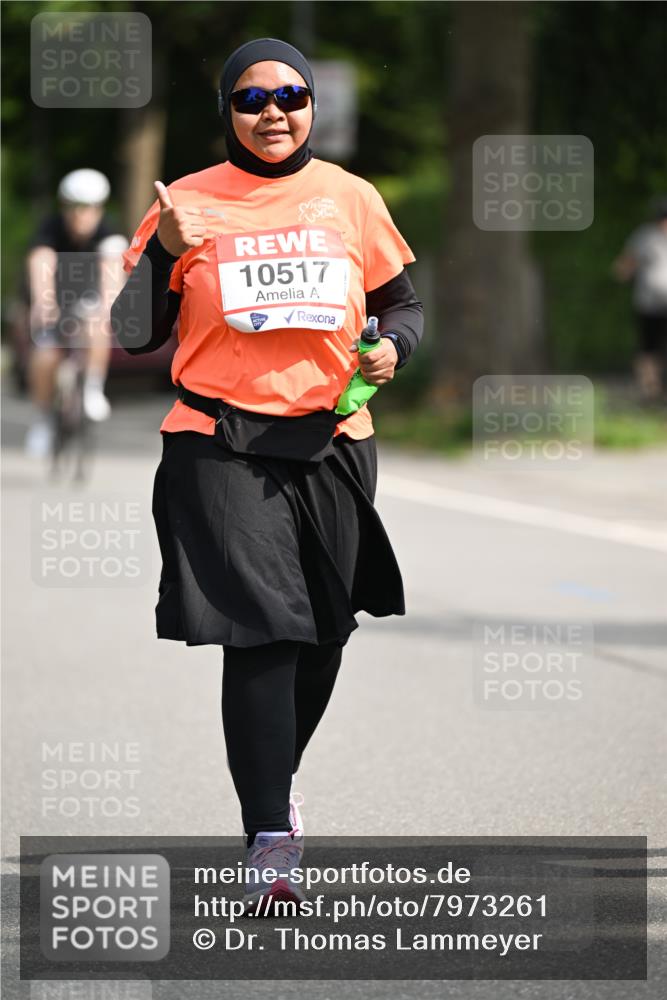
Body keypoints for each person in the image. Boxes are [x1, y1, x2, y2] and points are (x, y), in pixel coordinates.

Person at [112, 38, 423, 912]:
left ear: (311, 105)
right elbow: (135, 333)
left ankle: (272, 784)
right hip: (218, 441)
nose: (273, 112)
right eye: (252, 100)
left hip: (332, 437)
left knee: (324, 632)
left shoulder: (350, 199)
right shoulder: (188, 202)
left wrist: (392, 347)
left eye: (290, 95)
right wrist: (165, 253)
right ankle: (270, 842)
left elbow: (402, 302)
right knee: (264, 631)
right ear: (228, 111)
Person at [24, 168, 128, 457]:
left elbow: (112, 274)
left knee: (97, 324)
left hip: (87, 301)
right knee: (45, 356)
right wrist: (43, 302)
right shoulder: (50, 228)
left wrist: (110, 308)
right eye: (74, 208)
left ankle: (93, 387)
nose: (80, 215)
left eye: (89, 208)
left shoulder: (110, 232)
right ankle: (43, 419)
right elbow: (40, 263)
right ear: (64, 207)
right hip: (53, 301)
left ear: (99, 208)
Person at [613, 198, 667, 402]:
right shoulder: (645, 237)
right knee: (648, 348)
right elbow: (626, 263)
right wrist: (623, 271)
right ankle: (650, 391)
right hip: (649, 303)